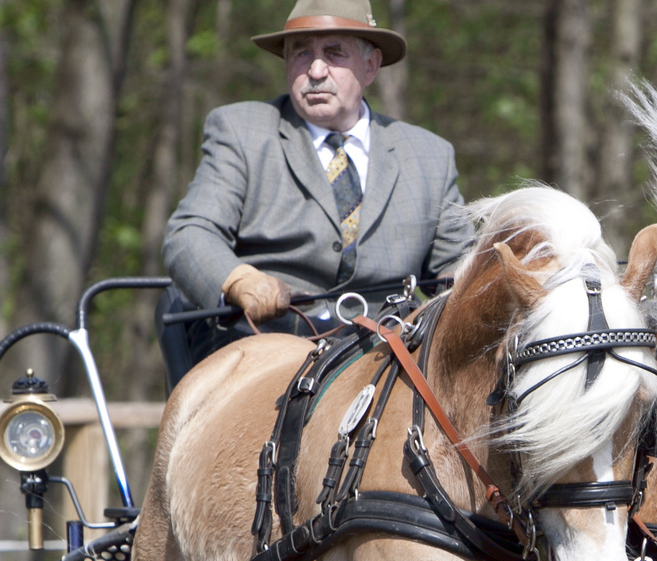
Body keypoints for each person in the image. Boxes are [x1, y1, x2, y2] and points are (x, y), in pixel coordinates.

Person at [159, 0, 474, 385]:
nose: (316, 70)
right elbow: (190, 233)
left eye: (334, 53)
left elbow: (459, 272)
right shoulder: (241, 131)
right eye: (302, 53)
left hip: (388, 361)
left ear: (371, 66)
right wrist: (239, 280)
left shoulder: (428, 155)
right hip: (263, 350)